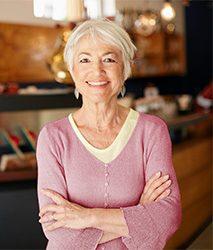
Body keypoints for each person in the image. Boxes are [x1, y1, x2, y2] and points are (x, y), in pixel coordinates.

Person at [37, 19, 181, 250]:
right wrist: (137, 216)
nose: (97, 70)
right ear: (72, 70)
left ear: (125, 67)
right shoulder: (53, 137)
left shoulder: (152, 131)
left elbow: (167, 218)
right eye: (84, 59)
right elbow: (60, 233)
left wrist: (86, 217)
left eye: (109, 59)